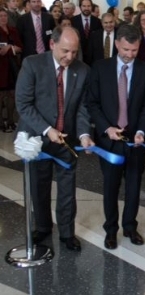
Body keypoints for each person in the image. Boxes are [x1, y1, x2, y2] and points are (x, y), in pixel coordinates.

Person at [16, 26, 95, 251]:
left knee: (67, 189)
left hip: (66, 141)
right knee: (39, 187)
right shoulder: (32, 64)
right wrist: (47, 129)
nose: (69, 57)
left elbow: (82, 107)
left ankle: (67, 233)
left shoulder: (83, 70)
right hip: (38, 140)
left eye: (74, 52)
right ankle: (42, 228)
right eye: (65, 51)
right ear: (52, 44)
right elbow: (24, 104)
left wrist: (84, 134)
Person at [87, 24, 145, 250]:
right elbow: (92, 103)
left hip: (136, 141)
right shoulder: (100, 68)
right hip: (109, 140)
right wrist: (106, 128)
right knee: (110, 186)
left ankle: (130, 227)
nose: (129, 55)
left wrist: (141, 131)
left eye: (134, 50)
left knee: (134, 186)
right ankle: (111, 229)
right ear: (117, 43)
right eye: (125, 49)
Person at [0, 9, 22, 133]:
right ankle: (0, 123)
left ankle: (10, 120)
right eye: (1, 16)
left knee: (12, 95)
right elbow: (1, 52)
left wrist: (8, 47)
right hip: (1, 68)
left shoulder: (13, 30)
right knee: (1, 95)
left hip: (12, 66)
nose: (3, 18)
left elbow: (20, 47)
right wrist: (11, 48)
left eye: (5, 16)